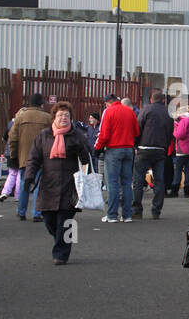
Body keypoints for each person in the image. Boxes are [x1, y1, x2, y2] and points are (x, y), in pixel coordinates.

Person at [24, 101, 92, 265]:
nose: (63, 118)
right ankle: (63, 240)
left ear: (71, 118)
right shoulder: (43, 135)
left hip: (70, 184)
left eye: (67, 115)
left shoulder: (77, 136)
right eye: (60, 115)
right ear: (54, 117)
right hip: (48, 183)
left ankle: (61, 254)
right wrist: (29, 177)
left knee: (66, 220)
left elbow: (87, 160)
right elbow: (34, 158)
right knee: (49, 220)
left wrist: (81, 154)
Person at [94, 93, 137, 223]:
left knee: (112, 182)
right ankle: (127, 214)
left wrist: (97, 148)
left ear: (107, 103)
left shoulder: (108, 111)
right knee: (126, 183)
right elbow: (136, 132)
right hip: (128, 149)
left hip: (113, 150)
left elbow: (104, 134)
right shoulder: (130, 112)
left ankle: (112, 215)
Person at [9, 93, 53, 223]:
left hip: (24, 156)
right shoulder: (47, 118)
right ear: (41, 104)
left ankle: (21, 212)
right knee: (40, 184)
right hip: (42, 156)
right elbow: (52, 137)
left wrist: (13, 155)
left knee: (24, 183)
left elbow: (13, 138)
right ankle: (37, 213)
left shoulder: (20, 117)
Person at [133, 91, 174, 219]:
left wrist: (136, 145)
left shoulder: (145, 110)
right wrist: (165, 146)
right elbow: (170, 132)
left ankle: (137, 210)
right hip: (160, 150)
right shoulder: (168, 113)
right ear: (163, 100)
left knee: (138, 180)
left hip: (144, 148)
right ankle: (156, 210)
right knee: (159, 181)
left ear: (151, 99)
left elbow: (137, 128)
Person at [169, 106, 189, 198]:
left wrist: (175, 130)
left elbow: (179, 135)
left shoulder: (184, 120)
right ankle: (187, 190)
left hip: (182, 149)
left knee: (178, 170)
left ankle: (175, 190)